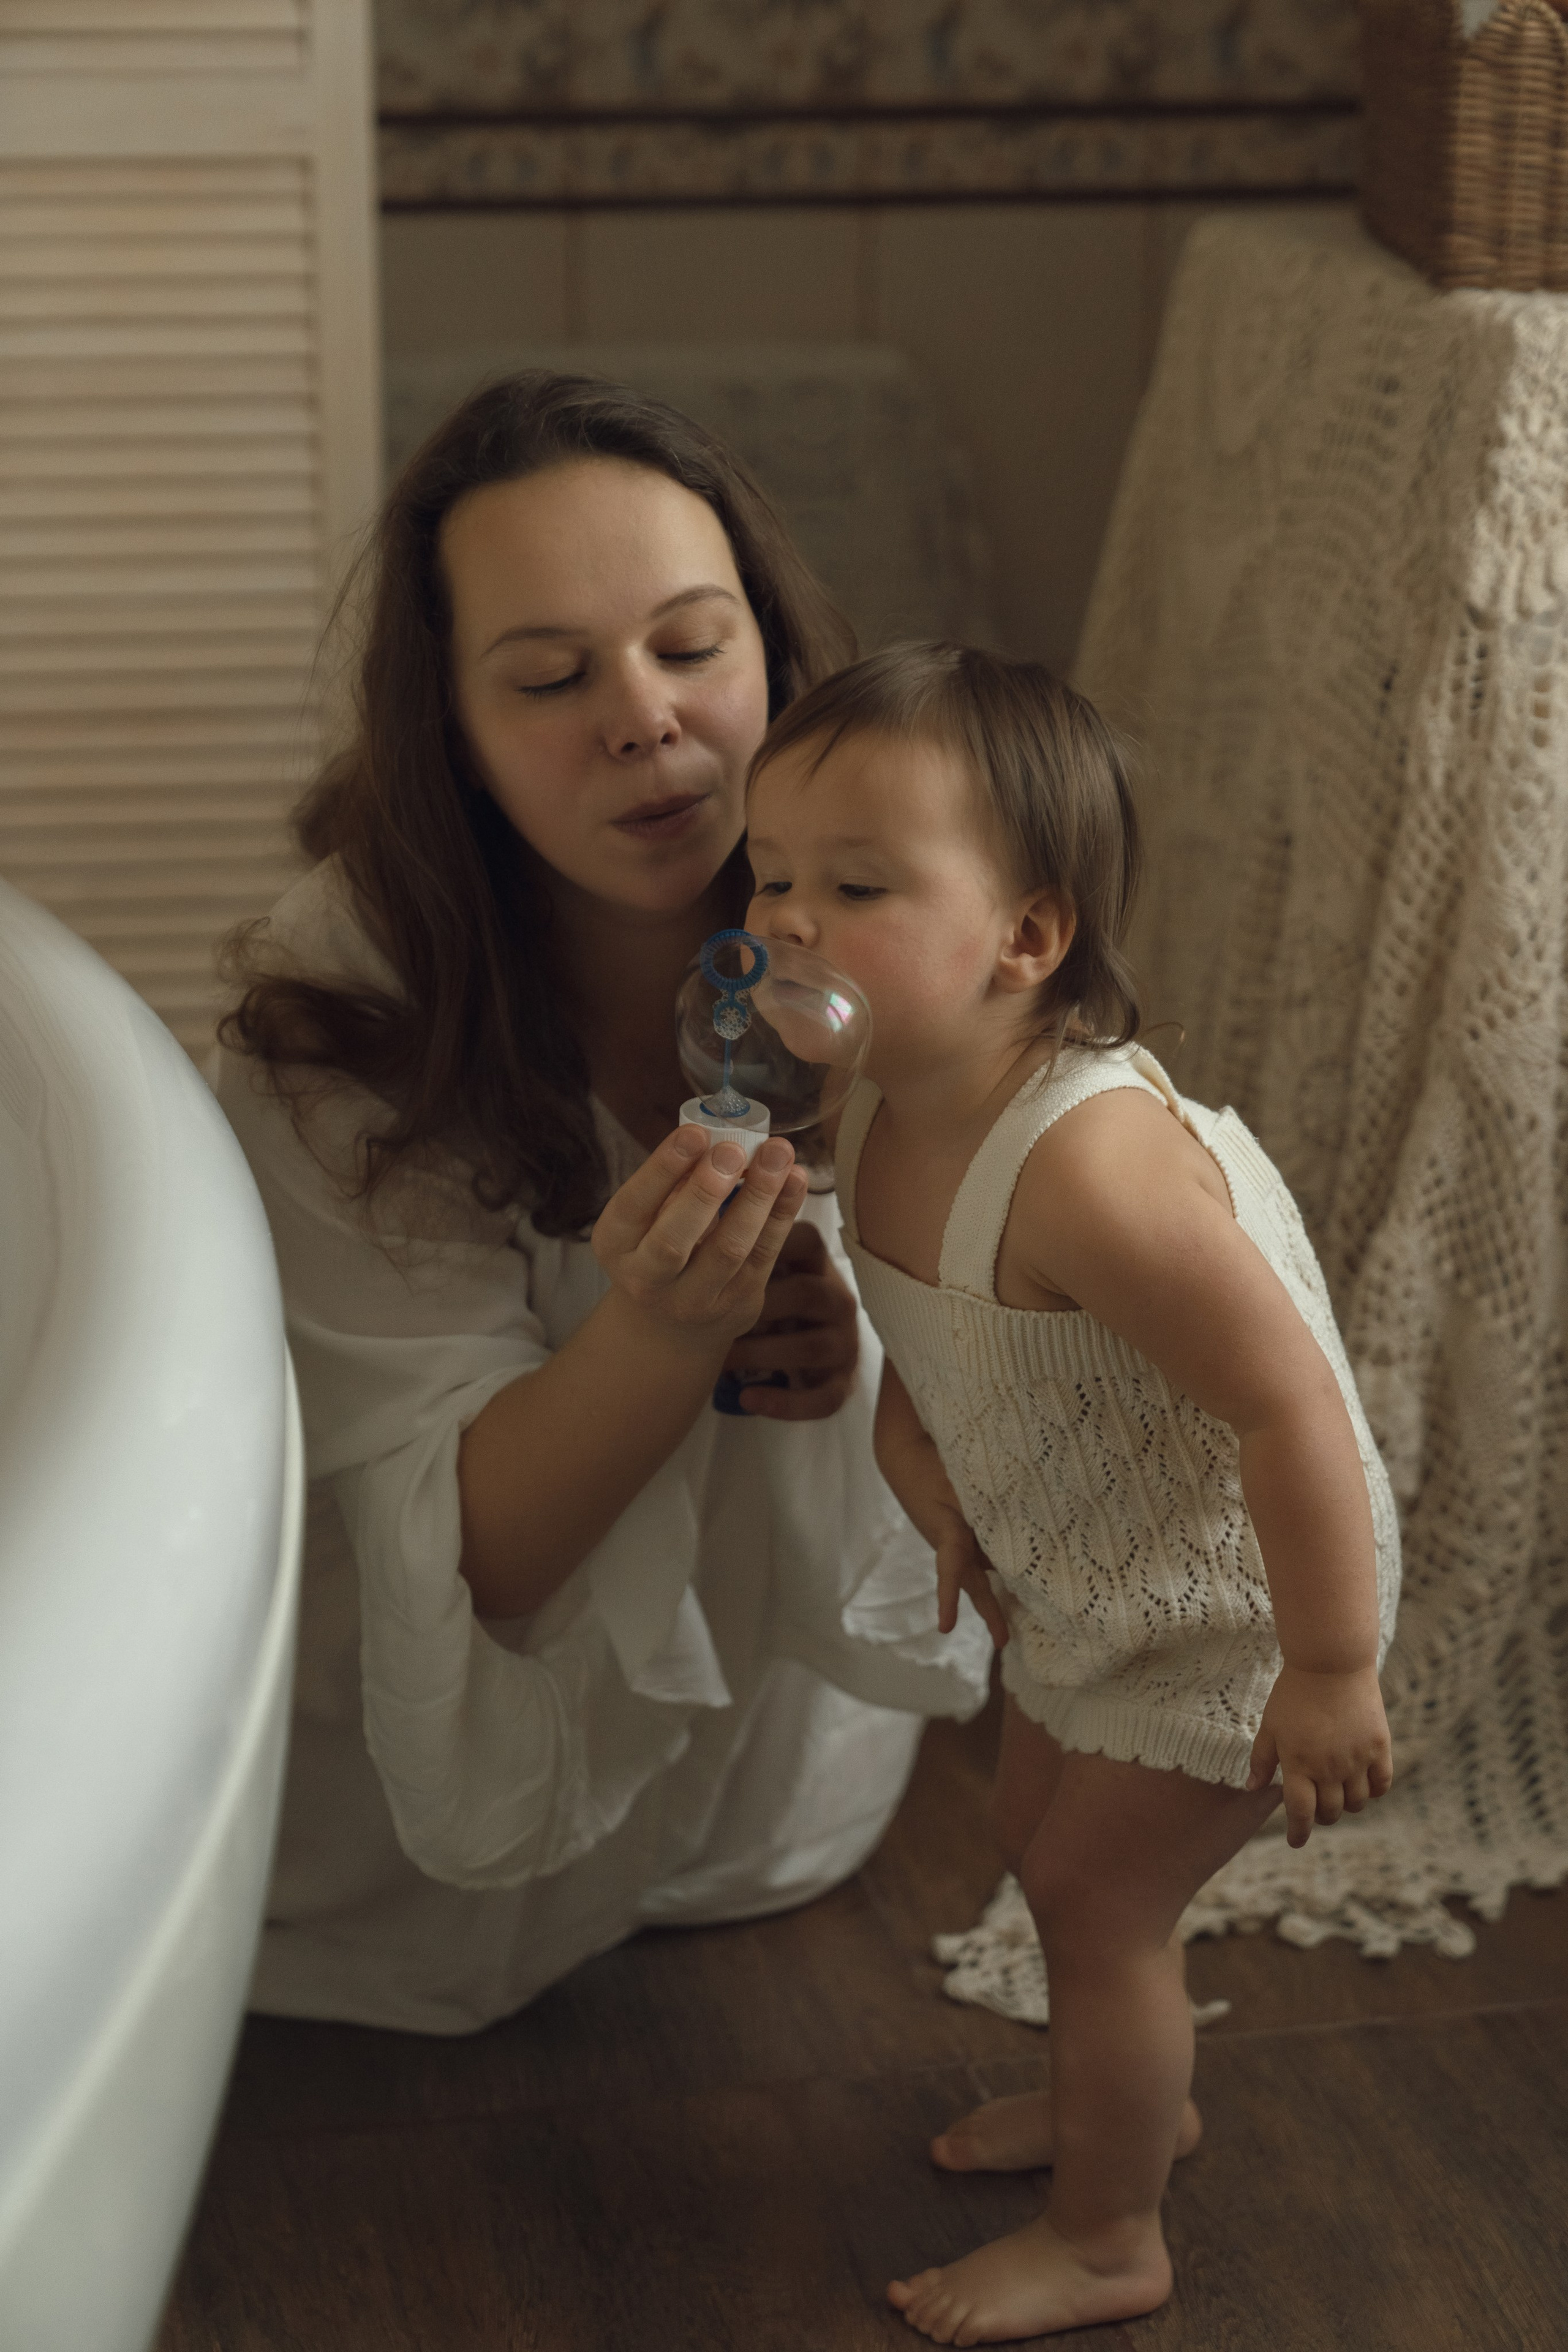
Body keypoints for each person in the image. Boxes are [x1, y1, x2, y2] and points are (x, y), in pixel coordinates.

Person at [214, 375, 992, 2036]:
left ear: (774, 654)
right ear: (457, 741)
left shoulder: (892, 898)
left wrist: (875, 1343)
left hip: (778, 1797)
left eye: (693, 647)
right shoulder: (346, 1003)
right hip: (432, 1823)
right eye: (552, 679)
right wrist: (659, 1334)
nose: (642, 719)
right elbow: (466, 1560)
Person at [742, 642, 1401, 2344]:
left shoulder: (1094, 1170)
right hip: (1086, 1572)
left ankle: (1114, 2232)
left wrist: (1332, 1667)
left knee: (1102, 1904)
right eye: (773, 879)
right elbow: (928, 1337)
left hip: (1232, 1608)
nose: (791, 925)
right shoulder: (879, 1099)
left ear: (1026, 938)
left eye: (859, 885)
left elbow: (1291, 1405)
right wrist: (925, 1472)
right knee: (1035, 1844)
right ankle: (1130, 2100)